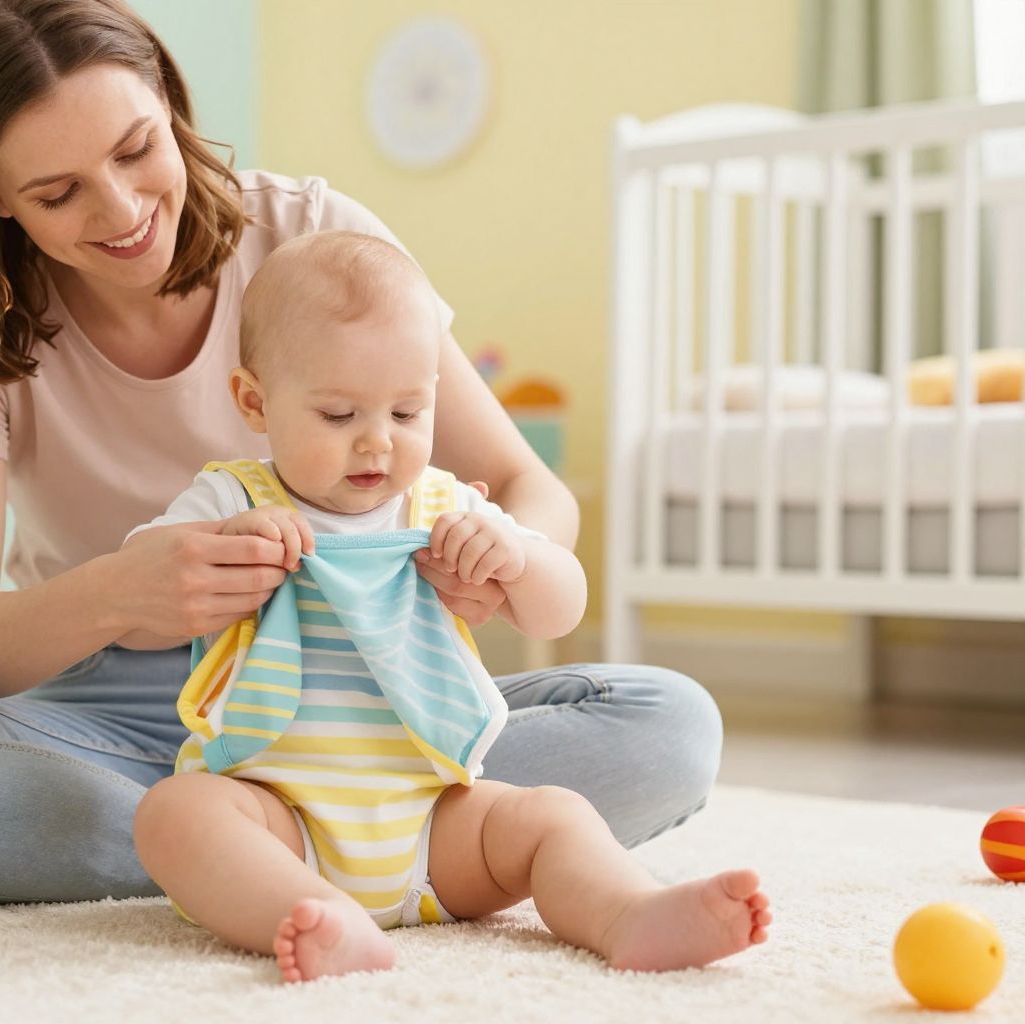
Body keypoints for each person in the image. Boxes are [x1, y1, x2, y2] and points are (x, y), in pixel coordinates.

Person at [0, 0, 724, 907]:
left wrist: (500, 559)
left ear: (169, 101)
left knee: (671, 724)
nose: (122, 209)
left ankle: (243, 854)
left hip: (373, 703)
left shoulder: (313, 239)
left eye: (135, 149)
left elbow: (531, 486)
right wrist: (121, 593)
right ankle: (316, 847)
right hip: (106, 723)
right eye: (58, 193)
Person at [126, 231, 770, 982]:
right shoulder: (233, 497)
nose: (377, 443)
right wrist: (225, 547)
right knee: (175, 814)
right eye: (338, 415)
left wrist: (515, 557)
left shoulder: (445, 506)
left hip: (435, 827)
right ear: (254, 401)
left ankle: (628, 912)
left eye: (407, 413)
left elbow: (560, 608)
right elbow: (141, 575)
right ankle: (310, 913)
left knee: (552, 816)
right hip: (279, 820)